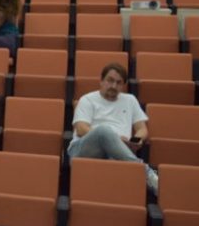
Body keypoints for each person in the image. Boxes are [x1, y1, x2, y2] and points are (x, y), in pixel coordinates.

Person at [68, 63, 159, 195]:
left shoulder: (130, 100)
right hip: (84, 150)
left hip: (117, 152)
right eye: (110, 80)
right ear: (101, 81)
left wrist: (136, 140)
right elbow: (81, 129)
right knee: (103, 131)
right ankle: (144, 172)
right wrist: (114, 138)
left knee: (114, 156)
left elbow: (142, 129)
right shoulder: (87, 99)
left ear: (123, 85)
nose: (113, 86)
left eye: (119, 82)